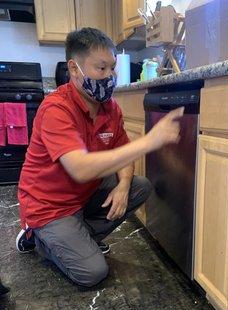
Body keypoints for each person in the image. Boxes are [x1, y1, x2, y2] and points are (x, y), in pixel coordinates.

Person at [15, 27, 184, 287]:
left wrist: (124, 186)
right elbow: (80, 169)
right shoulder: (56, 109)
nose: (110, 76)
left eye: (112, 68)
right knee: (93, 273)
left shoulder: (110, 108)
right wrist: (150, 142)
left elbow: (123, 153)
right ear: (74, 69)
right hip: (49, 207)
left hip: (82, 197)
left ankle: (76, 239)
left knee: (139, 186)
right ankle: (37, 238)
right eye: (101, 68)